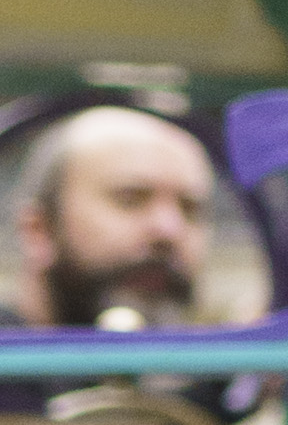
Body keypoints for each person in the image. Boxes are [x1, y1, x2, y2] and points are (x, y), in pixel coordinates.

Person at [14, 100, 221, 334]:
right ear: (39, 229)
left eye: (190, 209)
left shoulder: (234, 366)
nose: (168, 230)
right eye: (130, 199)